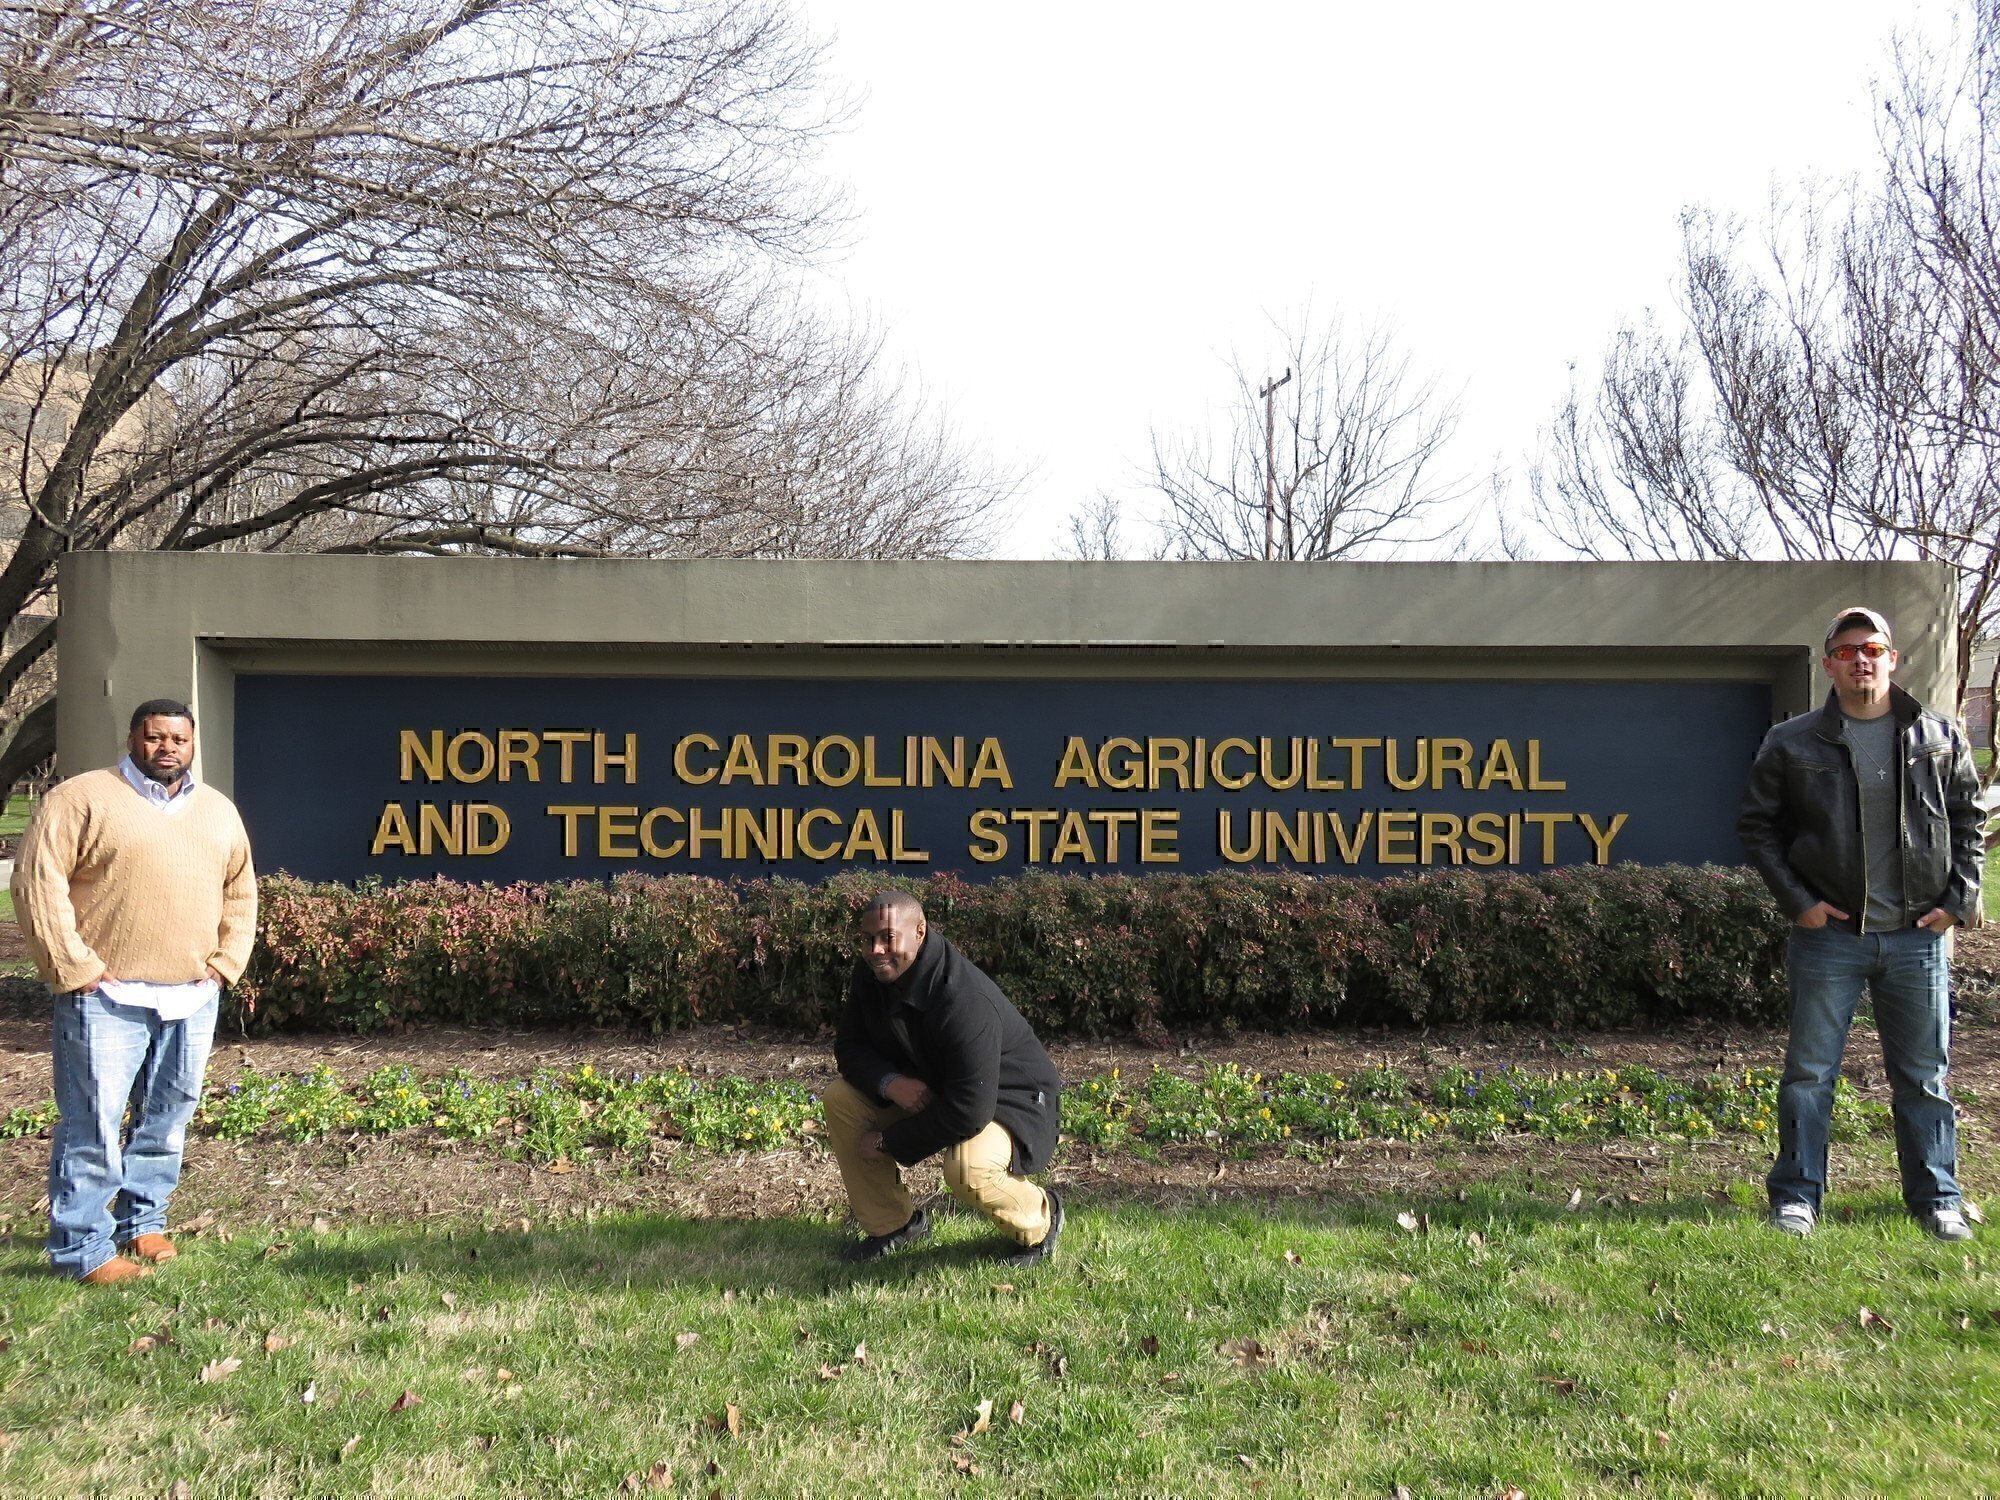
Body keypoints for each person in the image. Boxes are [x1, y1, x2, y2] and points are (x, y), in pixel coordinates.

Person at [1738, 607, 1983, 1241]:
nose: (1861, 661)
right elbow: (1758, 828)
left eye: (1872, 650)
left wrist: (1958, 901)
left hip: (1917, 936)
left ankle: (1938, 1197)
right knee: (1809, 1075)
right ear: (1829, 665)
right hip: (1829, 936)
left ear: (1892, 659)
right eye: (1847, 652)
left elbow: (1968, 821)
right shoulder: (1792, 741)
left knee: (1923, 1077)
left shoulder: (1938, 735)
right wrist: (1799, 902)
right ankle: (1797, 1196)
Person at [11, 699, 257, 1284]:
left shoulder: (217, 811)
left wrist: (223, 966)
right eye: (154, 737)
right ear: (132, 739)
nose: (167, 748)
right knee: (92, 1126)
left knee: (167, 1120)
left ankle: (142, 1221)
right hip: (104, 997)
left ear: (192, 744)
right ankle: (82, 1249)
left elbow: (241, 892)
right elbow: (37, 884)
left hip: (191, 996)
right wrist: (75, 967)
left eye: (178, 739)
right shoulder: (79, 799)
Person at [826, 890, 1064, 1265]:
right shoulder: (872, 974)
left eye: (887, 937)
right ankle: (894, 1225)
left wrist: (889, 1141)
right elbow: (850, 1046)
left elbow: (969, 1110)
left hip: (1009, 1098)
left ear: (919, 931)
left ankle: (1041, 1218)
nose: (875, 950)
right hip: (938, 1084)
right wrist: (890, 1083)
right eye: (867, 939)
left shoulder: (963, 998)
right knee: (842, 1101)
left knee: (968, 1168)